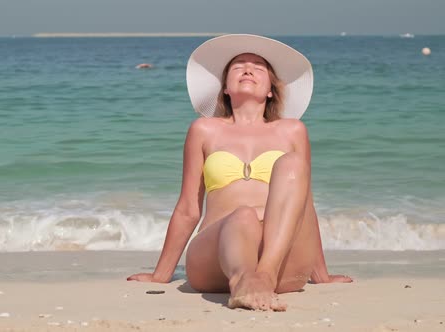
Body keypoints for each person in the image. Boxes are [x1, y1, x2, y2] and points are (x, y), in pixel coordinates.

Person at [127, 34, 352, 311]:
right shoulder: (204, 130)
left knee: (293, 166)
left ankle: (262, 276)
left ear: (271, 89)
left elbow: (305, 205)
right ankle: (245, 280)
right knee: (243, 215)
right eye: (238, 66)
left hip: (283, 262)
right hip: (215, 256)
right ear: (225, 88)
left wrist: (321, 275)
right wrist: (160, 275)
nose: (248, 69)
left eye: (258, 66)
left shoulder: (292, 130)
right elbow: (188, 208)